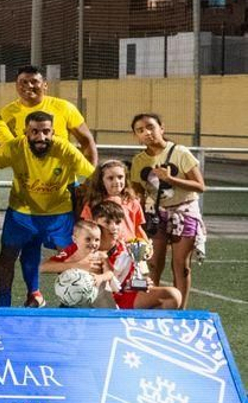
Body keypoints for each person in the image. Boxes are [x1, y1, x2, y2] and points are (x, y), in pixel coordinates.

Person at [0, 110, 95, 307]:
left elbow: (93, 175)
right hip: (22, 214)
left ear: (53, 132)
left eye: (46, 131)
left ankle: (74, 305)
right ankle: (5, 305)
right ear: (25, 133)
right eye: (35, 132)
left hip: (58, 215)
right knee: (7, 256)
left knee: (73, 258)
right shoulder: (14, 147)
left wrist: (86, 193)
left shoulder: (65, 149)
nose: (41, 137)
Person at [42, 205, 183, 310]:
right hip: (89, 301)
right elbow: (44, 266)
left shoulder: (131, 249)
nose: (114, 227)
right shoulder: (81, 246)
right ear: (95, 223)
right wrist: (78, 265)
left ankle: (143, 336)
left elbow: (132, 284)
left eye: (117, 222)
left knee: (173, 296)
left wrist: (142, 284)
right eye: (108, 222)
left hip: (121, 298)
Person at [131, 112, 206, 307]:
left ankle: (180, 312)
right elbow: (137, 192)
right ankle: (151, 307)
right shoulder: (139, 161)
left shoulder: (180, 152)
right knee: (153, 265)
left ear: (161, 129)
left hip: (184, 212)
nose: (146, 133)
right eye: (140, 130)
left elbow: (200, 186)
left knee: (181, 267)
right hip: (156, 215)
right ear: (136, 136)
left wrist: (170, 180)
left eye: (150, 127)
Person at [0, 66, 97, 165]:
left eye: (34, 81)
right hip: (26, 177)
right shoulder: (6, 113)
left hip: (61, 176)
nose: (29, 85)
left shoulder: (64, 107)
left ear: (45, 85)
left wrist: (92, 175)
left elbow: (87, 141)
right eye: (23, 82)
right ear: (16, 86)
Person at [80, 160, 146, 245]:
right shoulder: (93, 203)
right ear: (101, 181)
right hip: (104, 251)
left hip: (128, 250)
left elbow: (137, 228)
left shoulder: (132, 201)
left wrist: (147, 245)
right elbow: (87, 230)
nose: (117, 182)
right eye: (110, 178)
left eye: (120, 177)